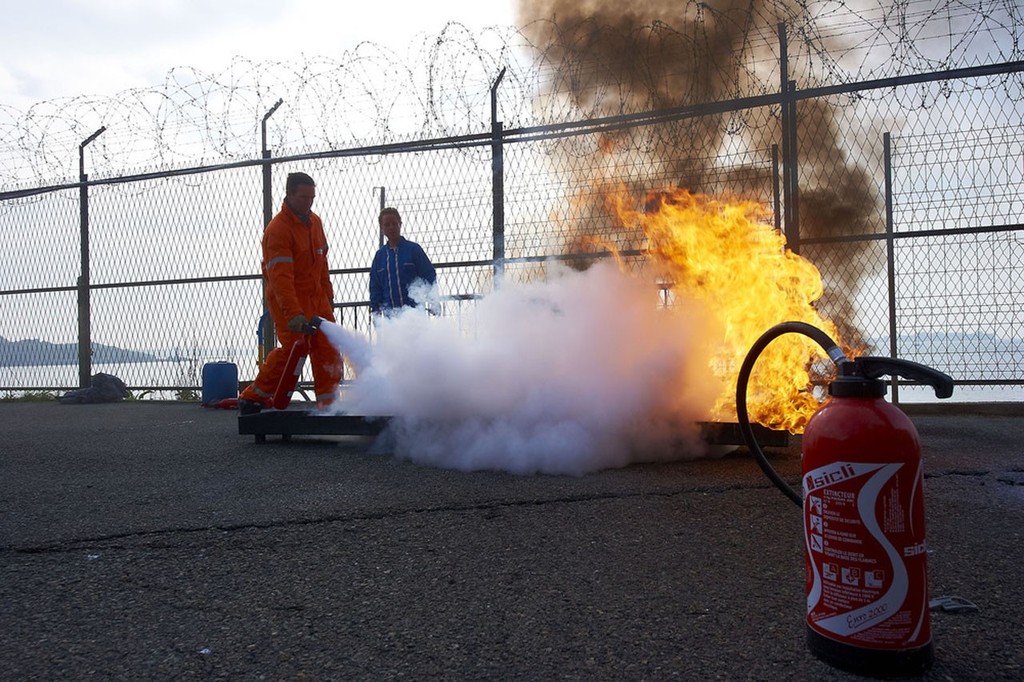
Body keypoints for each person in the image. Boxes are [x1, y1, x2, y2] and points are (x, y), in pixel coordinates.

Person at [239, 172, 341, 414]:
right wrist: (293, 313)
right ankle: (253, 396)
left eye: (312, 197)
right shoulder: (277, 230)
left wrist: (328, 294)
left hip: (317, 299)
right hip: (289, 302)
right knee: (292, 350)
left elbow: (322, 264)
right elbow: (280, 279)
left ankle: (328, 405)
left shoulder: (315, 223)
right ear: (290, 194)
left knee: (329, 347)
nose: (309, 202)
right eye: (304, 197)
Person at [369, 207, 437, 317]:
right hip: (390, 317)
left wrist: (433, 301)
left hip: (414, 314)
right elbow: (375, 286)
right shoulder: (379, 257)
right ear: (382, 228)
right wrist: (375, 310)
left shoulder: (414, 250)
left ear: (400, 224)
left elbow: (429, 275)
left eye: (394, 224)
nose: (391, 227)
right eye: (387, 225)